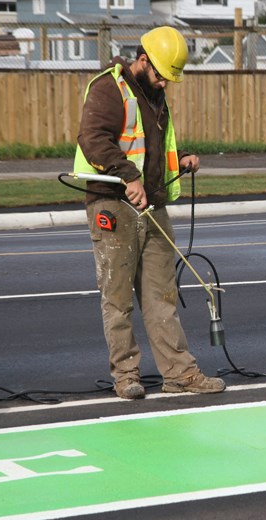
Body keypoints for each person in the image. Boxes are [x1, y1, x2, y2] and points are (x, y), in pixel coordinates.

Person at [74, 26, 225, 399]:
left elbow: (153, 146)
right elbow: (93, 139)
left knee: (163, 296)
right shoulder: (110, 88)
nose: (164, 84)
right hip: (113, 204)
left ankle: (180, 374)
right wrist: (127, 177)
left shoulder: (154, 94)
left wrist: (182, 158)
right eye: (160, 75)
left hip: (152, 206)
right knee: (118, 298)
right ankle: (126, 375)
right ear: (142, 61)